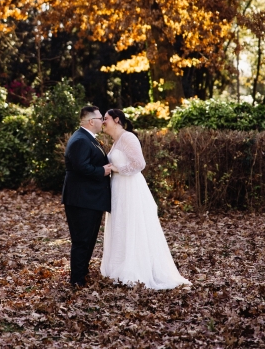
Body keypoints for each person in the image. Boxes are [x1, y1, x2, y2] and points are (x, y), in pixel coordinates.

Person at [100, 108, 191, 290]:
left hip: (130, 189)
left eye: (106, 118)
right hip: (118, 189)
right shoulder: (116, 141)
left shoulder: (128, 138)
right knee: (121, 226)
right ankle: (119, 267)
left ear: (117, 120)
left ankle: (135, 270)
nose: (103, 122)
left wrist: (116, 169)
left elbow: (139, 164)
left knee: (133, 226)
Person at [62, 105, 112, 287]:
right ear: (91, 121)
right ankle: (76, 280)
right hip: (81, 200)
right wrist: (102, 171)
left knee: (89, 239)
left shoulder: (87, 138)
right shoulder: (81, 140)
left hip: (90, 199)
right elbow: (80, 166)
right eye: (100, 118)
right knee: (82, 240)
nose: (103, 121)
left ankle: (82, 273)